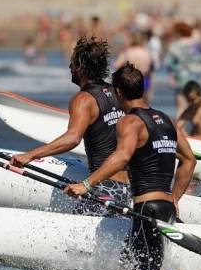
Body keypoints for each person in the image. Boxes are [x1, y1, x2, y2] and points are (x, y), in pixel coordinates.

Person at [64, 63, 201, 270]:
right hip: (163, 206)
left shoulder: (130, 123)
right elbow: (189, 161)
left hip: (148, 208)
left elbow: (122, 157)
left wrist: (86, 184)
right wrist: (175, 199)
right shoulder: (166, 120)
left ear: (119, 93)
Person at [9, 36, 131, 214]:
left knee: (79, 234)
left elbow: (73, 138)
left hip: (104, 187)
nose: (69, 68)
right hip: (128, 187)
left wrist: (30, 155)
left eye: (72, 63)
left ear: (81, 68)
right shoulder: (118, 94)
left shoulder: (83, 100)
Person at [165, 22, 201, 118]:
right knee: (198, 105)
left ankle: (180, 131)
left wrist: (170, 77)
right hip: (198, 77)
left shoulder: (174, 46)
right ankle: (199, 130)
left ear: (178, 33)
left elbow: (169, 64)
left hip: (181, 77)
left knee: (181, 106)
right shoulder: (197, 44)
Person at [114, 31, 154, 104]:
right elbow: (150, 70)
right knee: (144, 103)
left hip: (130, 79)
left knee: (130, 103)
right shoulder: (146, 52)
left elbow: (116, 65)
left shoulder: (128, 52)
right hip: (144, 79)